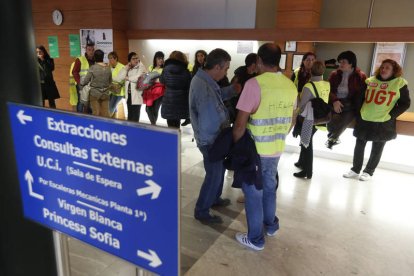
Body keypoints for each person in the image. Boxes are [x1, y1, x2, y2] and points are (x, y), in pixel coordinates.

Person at [233, 43, 297, 250]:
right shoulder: (290, 84)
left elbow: (240, 122)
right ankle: (271, 226)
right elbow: (292, 119)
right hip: (276, 148)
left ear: (259, 60)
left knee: (253, 193)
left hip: (255, 150)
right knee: (270, 187)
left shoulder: (254, 84)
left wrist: (235, 145)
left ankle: (255, 239)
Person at [189, 48, 241, 224]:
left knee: (218, 172)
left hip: (212, 138)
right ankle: (202, 210)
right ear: (218, 67)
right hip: (210, 139)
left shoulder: (207, 81)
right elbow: (210, 118)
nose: (226, 71)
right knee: (214, 174)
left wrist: (232, 90)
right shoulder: (202, 86)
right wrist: (226, 128)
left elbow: (217, 96)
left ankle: (214, 198)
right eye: (226, 68)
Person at [343, 59, 410, 181]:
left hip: (383, 122)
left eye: (387, 68)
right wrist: (359, 112)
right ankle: (355, 169)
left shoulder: (400, 83)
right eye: (382, 67)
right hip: (365, 119)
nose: (384, 69)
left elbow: (405, 103)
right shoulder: (370, 81)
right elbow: (359, 98)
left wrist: (391, 115)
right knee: (359, 145)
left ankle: (369, 171)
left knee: (377, 147)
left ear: (394, 71)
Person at [293, 61, 330, 179]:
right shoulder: (327, 84)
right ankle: (302, 163)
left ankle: (307, 171)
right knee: (306, 142)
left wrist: (297, 99)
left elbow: (302, 106)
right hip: (320, 118)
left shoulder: (308, 86)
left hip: (309, 119)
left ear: (310, 71)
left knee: (307, 144)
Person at [326, 51, 367, 149]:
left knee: (348, 116)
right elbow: (328, 90)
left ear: (351, 63)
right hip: (335, 102)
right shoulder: (334, 74)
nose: (340, 64)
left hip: (350, 105)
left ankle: (332, 138)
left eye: (343, 62)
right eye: (340, 62)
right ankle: (333, 137)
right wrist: (335, 100)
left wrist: (357, 110)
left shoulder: (361, 76)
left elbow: (361, 95)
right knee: (331, 123)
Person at [160, 51, 192, 128]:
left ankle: (172, 140)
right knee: (177, 126)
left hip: (169, 102)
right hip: (181, 102)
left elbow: (162, 81)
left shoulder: (166, 69)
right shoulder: (185, 71)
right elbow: (189, 84)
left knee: (170, 127)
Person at [114, 52, 147, 122]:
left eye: (137, 58)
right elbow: (118, 78)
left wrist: (128, 78)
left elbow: (138, 78)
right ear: (129, 61)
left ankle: (135, 132)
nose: (136, 60)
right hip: (129, 96)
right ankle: (130, 132)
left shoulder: (141, 67)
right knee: (130, 117)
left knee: (135, 118)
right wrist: (126, 68)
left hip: (137, 97)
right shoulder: (129, 68)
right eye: (133, 59)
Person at [227, 53, 258, 123]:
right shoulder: (239, 74)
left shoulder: (256, 75)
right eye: (258, 63)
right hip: (237, 106)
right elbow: (232, 90)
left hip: (249, 106)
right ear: (253, 65)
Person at [80, 49, 112, 117]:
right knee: (106, 113)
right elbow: (110, 81)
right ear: (103, 57)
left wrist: (82, 83)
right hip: (105, 93)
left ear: (94, 57)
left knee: (96, 113)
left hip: (94, 94)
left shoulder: (92, 68)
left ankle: (96, 126)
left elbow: (86, 81)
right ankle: (106, 127)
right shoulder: (108, 68)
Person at [72, 42, 95, 113]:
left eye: (92, 50)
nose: (91, 52)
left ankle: (90, 118)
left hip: (92, 85)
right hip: (81, 84)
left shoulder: (96, 60)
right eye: (89, 50)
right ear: (86, 50)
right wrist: (80, 83)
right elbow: (74, 72)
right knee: (81, 102)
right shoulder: (80, 59)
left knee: (91, 102)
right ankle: (80, 118)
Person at [144, 51, 165, 125]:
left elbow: (162, 80)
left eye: (162, 58)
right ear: (155, 59)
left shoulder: (164, 69)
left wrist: (153, 79)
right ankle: (154, 125)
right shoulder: (151, 67)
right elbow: (147, 77)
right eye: (159, 58)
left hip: (160, 92)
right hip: (150, 91)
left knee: (155, 110)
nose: (161, 60)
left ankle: (153, 126)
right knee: (147, 109)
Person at [107, 51, 125, 117]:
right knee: (114, 107)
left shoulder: (122, 67)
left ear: (116, 58)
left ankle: (108, 122)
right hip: (111, 90)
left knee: (111, 107)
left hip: (119, 92)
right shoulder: (110, 67)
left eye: (111, 58)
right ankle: (114, 121)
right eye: (109, 58)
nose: (110, 60)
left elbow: (122, 79)